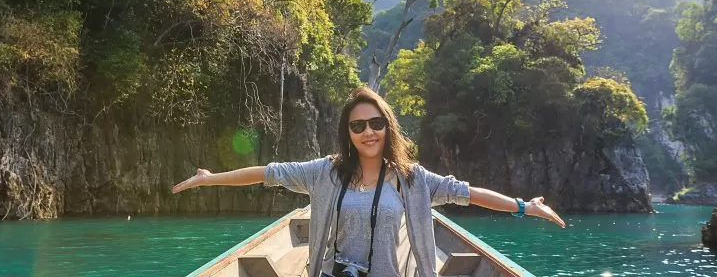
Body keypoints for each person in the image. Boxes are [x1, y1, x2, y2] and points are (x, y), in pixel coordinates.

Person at [172, 86, 565, 277]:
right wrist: (210, 179)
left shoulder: (414, 181)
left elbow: (469, 194)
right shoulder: (324, 172)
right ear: (348, 131)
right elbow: (266, 172)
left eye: (376, 123)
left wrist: (524, 206)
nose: (368, 132)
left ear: (387, 127)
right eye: (358, 125)